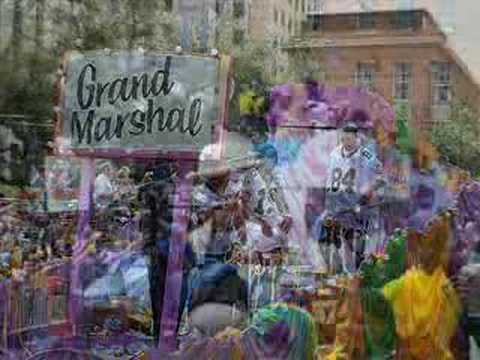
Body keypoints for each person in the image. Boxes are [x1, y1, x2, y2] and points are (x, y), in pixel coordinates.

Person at [316, 122, 384, 273]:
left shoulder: (365, 155)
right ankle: (335, 272)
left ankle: (357, 275)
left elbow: (381, 176)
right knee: (323, 239)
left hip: (353, 206)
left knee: (355, 245)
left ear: (355, 137)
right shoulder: (334, 153)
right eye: (343, 137)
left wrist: (368, 191)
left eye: (349, 137)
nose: (345, 140)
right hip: (334, 204)